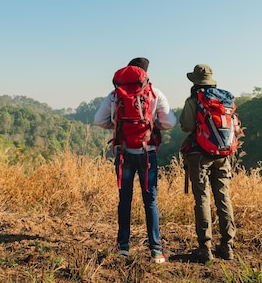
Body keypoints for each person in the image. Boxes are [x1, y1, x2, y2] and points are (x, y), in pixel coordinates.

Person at [94, 57, 177, 264]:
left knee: (125, 200)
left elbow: (99, 120)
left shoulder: (115, 95)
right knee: (150, 201)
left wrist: (116, 125)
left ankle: (123, 246)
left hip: (123, 154)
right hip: (147, 153)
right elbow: (170, 122)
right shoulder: (155, 94)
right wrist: (152, 124)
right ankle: (156, 250)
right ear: (146, 74)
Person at [179, 64, 237, 262]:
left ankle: (205, 248)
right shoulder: (225, 98)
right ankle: (227, 246)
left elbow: (186, 126)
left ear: (195, 81)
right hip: (222, 155)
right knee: (223, 198)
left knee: (202, 199)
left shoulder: (194, 100)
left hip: (199, 155)